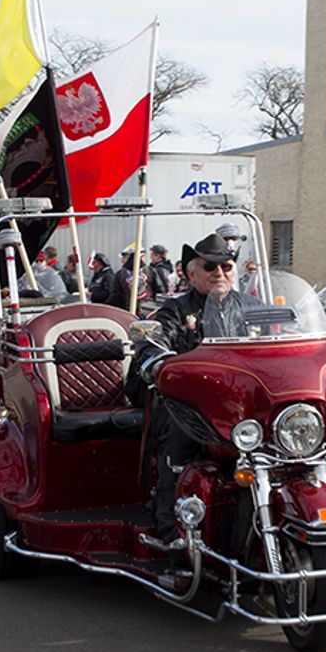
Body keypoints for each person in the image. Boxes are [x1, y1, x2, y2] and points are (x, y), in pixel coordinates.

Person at [137, 233, 261, 548]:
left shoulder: (253, 307)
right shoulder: (176, 310)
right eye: (210, 267)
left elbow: (285, 338)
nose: (219, 273)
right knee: (180, 436)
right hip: (191, 402)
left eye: (227, 267)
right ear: (192, 273)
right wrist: (157, 357)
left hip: (243, 402)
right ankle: (170, 527)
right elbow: (154, 345)